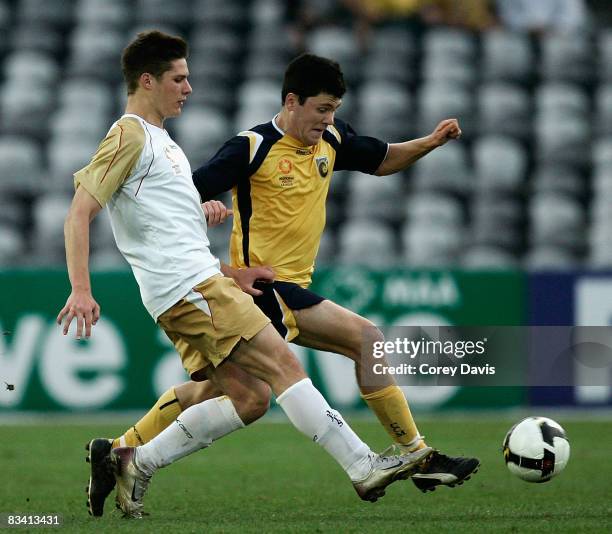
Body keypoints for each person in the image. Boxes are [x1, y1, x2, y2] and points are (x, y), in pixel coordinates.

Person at [58, 31, 433, 519]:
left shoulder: (162, 144)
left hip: (200, 281)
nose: (188, 87)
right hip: (188, 288)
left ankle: (131, 460)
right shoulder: (129, 133)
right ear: (147, 81)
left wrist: (230, 269)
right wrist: (81, 289)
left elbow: (162, 230)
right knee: (284, 368)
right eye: (179, 78)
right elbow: (79, 211)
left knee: (249, 397)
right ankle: (362, 466)